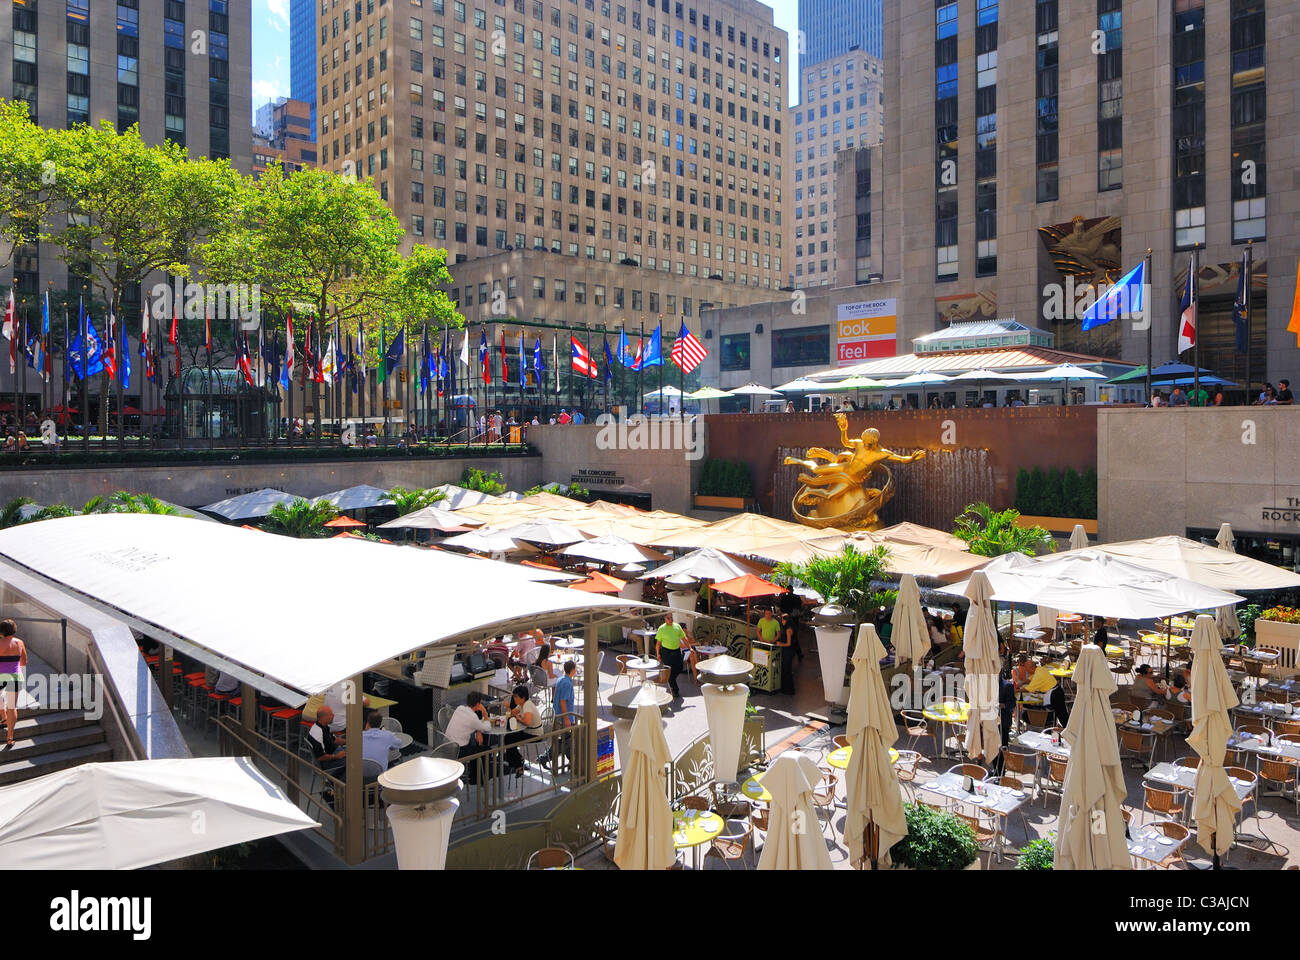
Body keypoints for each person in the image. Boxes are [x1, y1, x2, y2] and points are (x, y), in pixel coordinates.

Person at [538, 661, 577, 767]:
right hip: (563, 717)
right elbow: (563, 701)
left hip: (558, 715)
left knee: (565, 740)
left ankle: (571, 760)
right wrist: (566, 718)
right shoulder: (567, 684)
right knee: (566, 740)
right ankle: (547, 757)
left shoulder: (561, 679)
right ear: (572, 670)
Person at [501, 684, 542, 775]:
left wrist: (518, 718)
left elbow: (527, 722)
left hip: (535, 734)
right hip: (528, 731)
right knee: (509, 737)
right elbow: (512, 713)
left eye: (516, 697)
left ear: (522, 698)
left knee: (509, 739)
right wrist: (508, 707)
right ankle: (517, 759)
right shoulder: (521, 704)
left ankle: (517, 764)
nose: (514, 699)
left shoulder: (527, 705)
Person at [0, 620, 27, 748]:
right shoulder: (19, 642)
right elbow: (24, 661)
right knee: (12, 706)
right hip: (15, 676)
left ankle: (4, 717)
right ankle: (10, 737)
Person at [655, 611, 692, 699]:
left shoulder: (677, 626)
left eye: (671, 617)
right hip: (666, 652)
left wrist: (689, 648)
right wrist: (658, 655)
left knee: (679, 668)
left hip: (676, 651)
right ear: (665, 619)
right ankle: (675, 690)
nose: (671, 619)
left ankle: (670, 679)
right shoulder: (661, 628)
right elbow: (658, 644)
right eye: (668, 618)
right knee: (669, 670)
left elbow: (684, 638)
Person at [306, 705, 347, 776]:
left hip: (334, 753)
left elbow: (334, 740)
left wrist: (349, 742)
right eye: (331, 714)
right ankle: (334, 782)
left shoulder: (324, 726)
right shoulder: (317, 732)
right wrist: (336, 756)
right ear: (324, 718)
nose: (333, 716)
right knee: (354, 760)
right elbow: (320, 757)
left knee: (356, 752)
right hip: (327, 762)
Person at [777, 584, 805, 662]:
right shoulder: (796, 597)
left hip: (785, 619)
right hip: (794, 619)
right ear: (793, 590)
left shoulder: (784, 598)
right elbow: (800, 607)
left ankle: (790, 650)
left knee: (786, 635)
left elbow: (780, 606)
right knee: (794, 636)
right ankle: (798, 653)